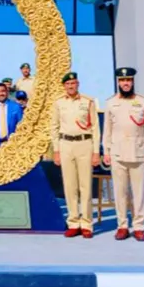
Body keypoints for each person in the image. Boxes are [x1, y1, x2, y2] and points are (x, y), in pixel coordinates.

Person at [102, 67, 144, 242]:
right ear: (118, 82)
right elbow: (107, 130)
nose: (126, 83)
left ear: (132, 82)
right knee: (120, 193)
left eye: (128, 80)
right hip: (118, 153)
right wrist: (106, 151)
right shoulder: (111, 103)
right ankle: (122, 225)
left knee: (139, 193)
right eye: (122, 81)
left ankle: (139, 226)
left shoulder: (143, 102)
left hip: (139, 152)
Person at [51, 72, 100, 238]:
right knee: (70, 185)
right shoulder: (58, 103)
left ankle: (86, 223)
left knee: (85, 185)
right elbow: (54, 127)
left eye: (73, 83)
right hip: (66, 144)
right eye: (68, 84)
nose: (71, 86)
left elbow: (95, 128)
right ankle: (73, 221)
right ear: (64, 86)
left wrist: (96, 152)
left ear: (77, 84)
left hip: (84, 143)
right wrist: (56, 150)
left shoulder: (88, 101)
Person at [0, 83, 24, 149]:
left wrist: (18, 145)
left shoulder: (16, 107)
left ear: (7, 92)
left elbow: (21, 128)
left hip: (12, 145)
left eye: (3, 91)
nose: (0, 94)